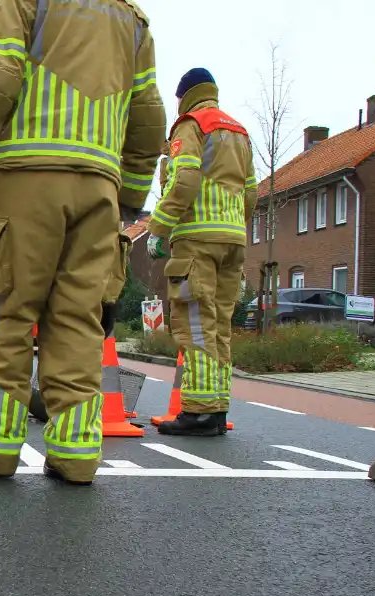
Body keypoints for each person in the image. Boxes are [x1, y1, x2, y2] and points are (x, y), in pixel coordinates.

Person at [0, 0, 166, 485]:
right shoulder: (131, 19)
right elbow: (148, 114)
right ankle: (76, 454)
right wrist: (131, 195)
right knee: (78, 318)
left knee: (10, 310)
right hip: (101, 186)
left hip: (27, 174)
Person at [145, 68, 258, 437]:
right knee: (220, 326)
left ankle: (199, 413)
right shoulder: (240, 132)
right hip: (234, 241)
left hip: (196, 239)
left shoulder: (191, 125)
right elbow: (252, 193)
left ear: (185, 95)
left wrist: (158, 227)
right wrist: (236, 227)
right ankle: (217, 405)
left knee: (195, 324)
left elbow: (186, 180)